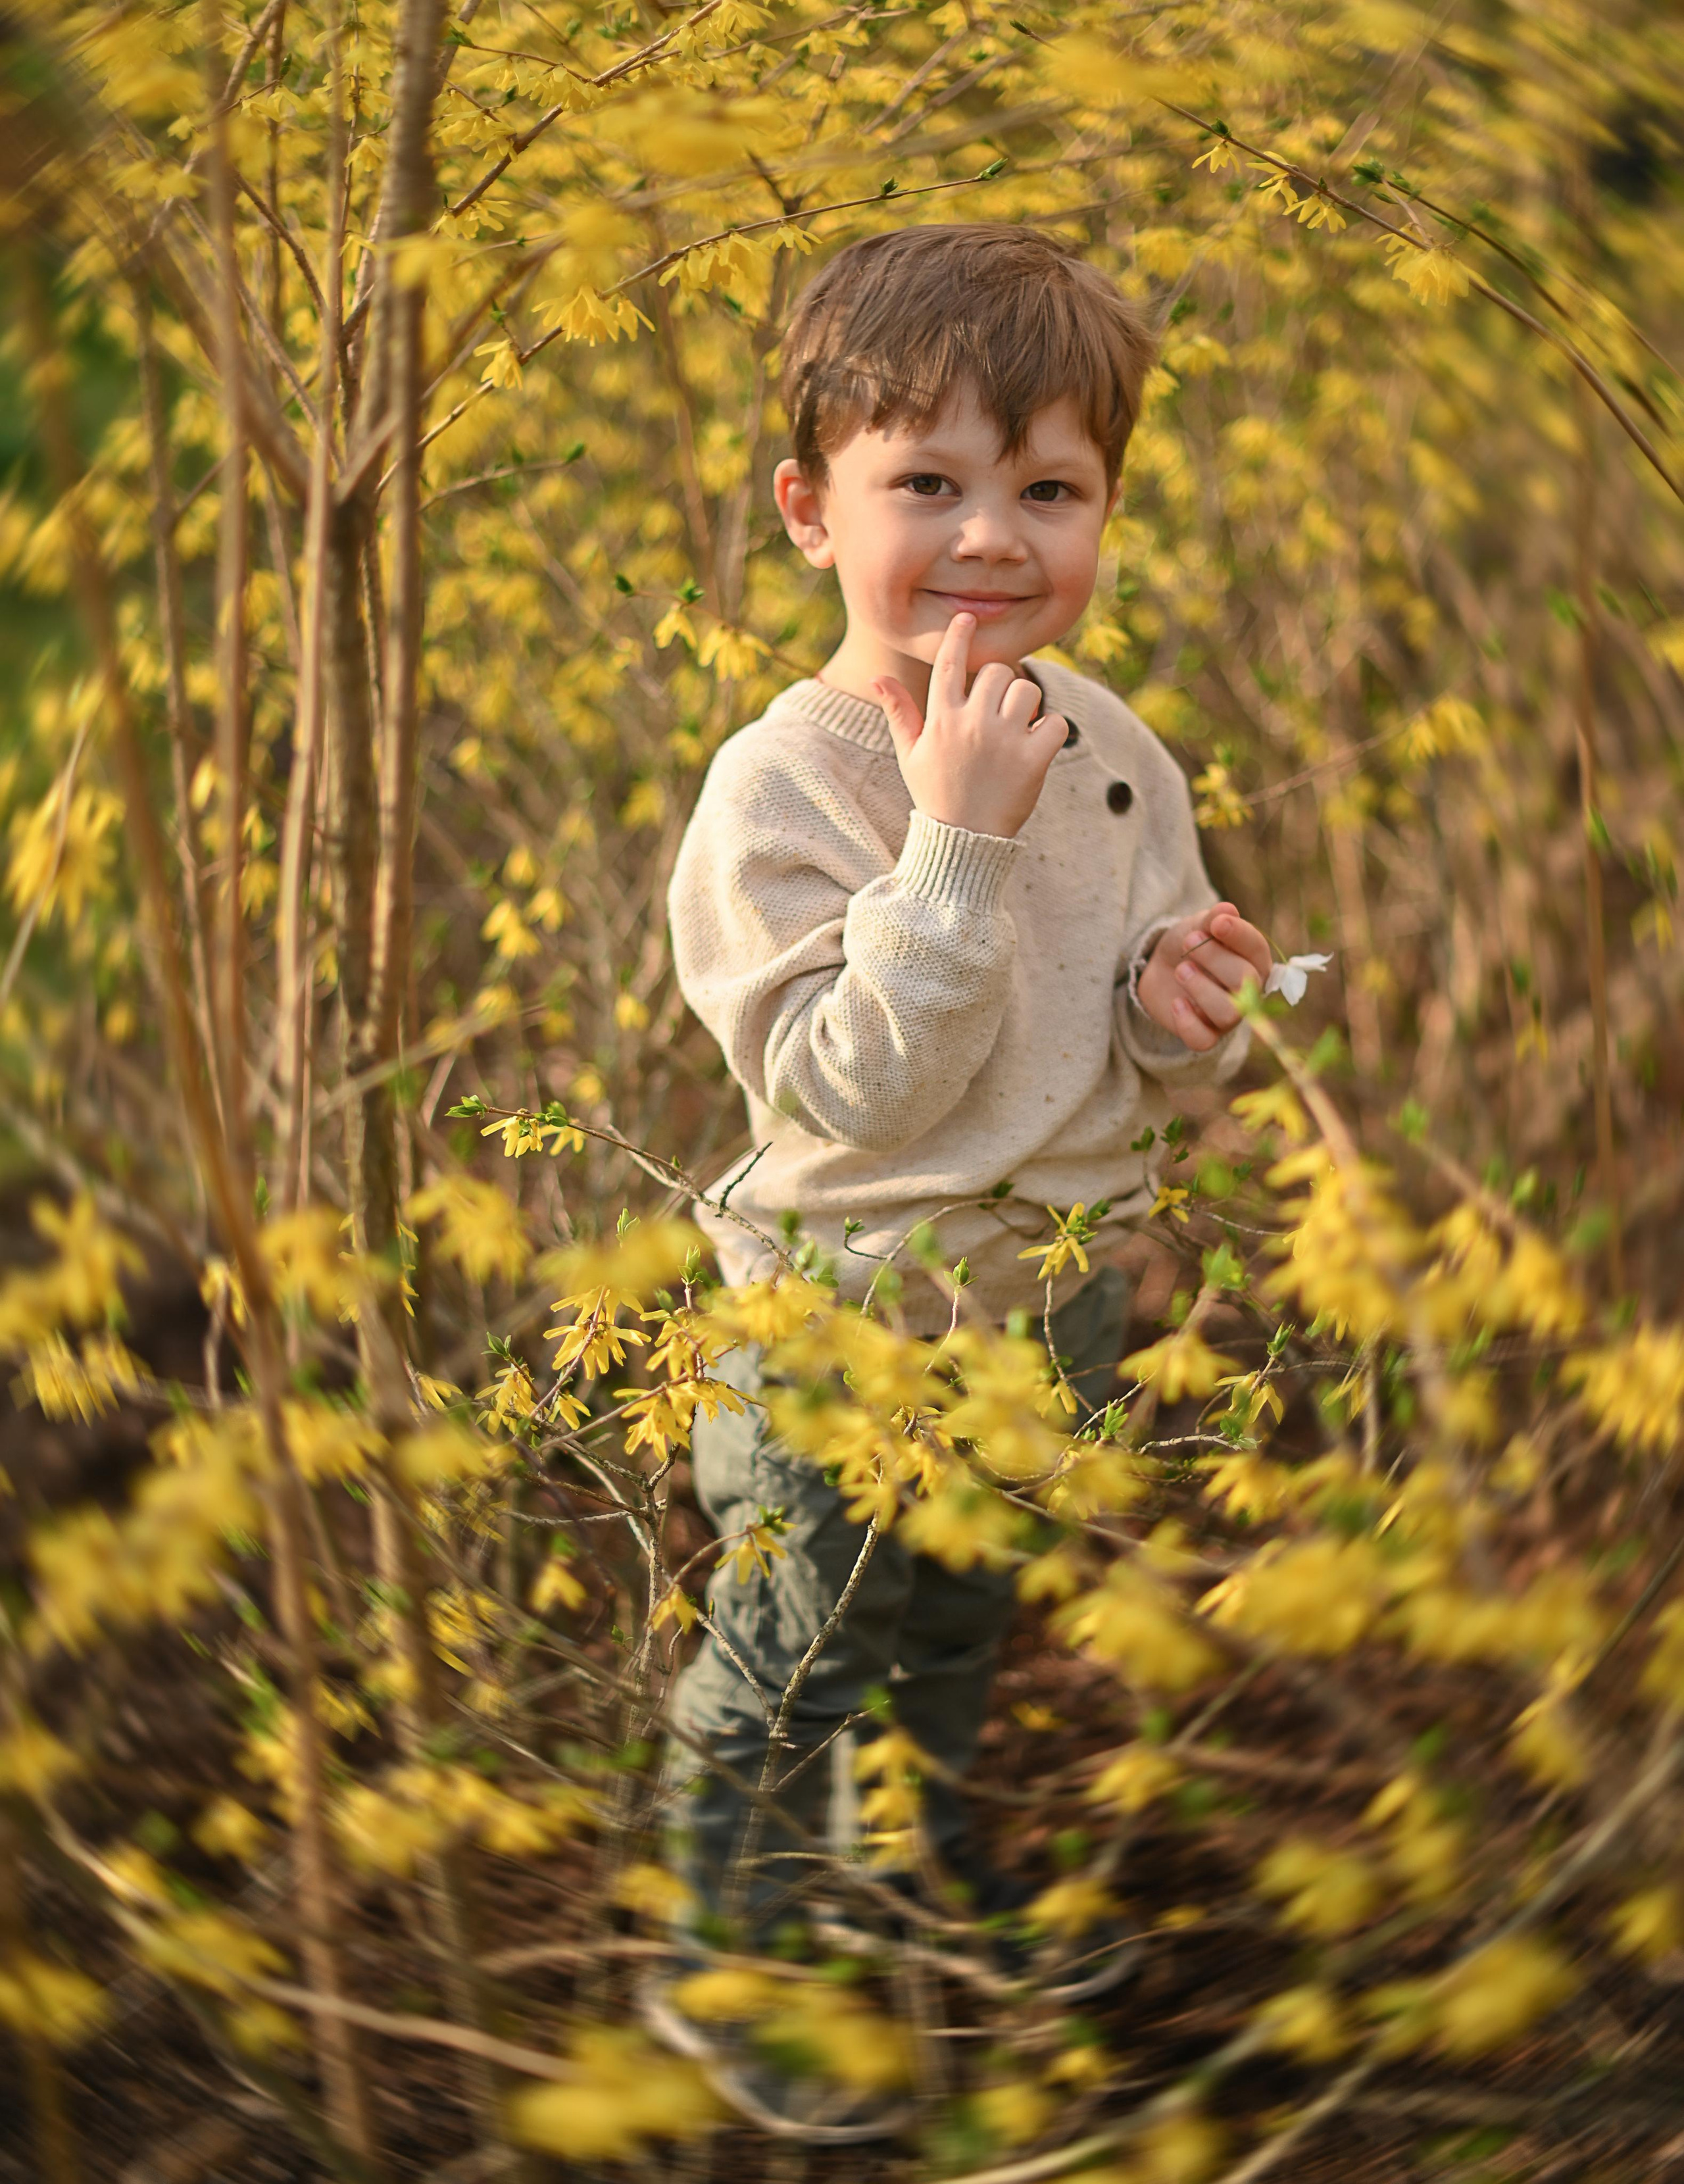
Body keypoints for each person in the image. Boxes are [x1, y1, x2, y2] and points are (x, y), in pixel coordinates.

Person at [647, 224, 1272, 2133]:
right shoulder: (786, 788)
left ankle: (913, 1867)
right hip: (844, 1326)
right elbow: (846, 1093)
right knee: (799, 1651)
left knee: (956, 1621)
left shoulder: (1116, 753)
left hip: (1046, 1302)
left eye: (1050, 489)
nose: (993, 536)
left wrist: (1184, 1008)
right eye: (929, 482)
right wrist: (955, 850)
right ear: (810, 512)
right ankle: (733, 1965)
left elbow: (1135, 1035)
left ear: (1104, 514)